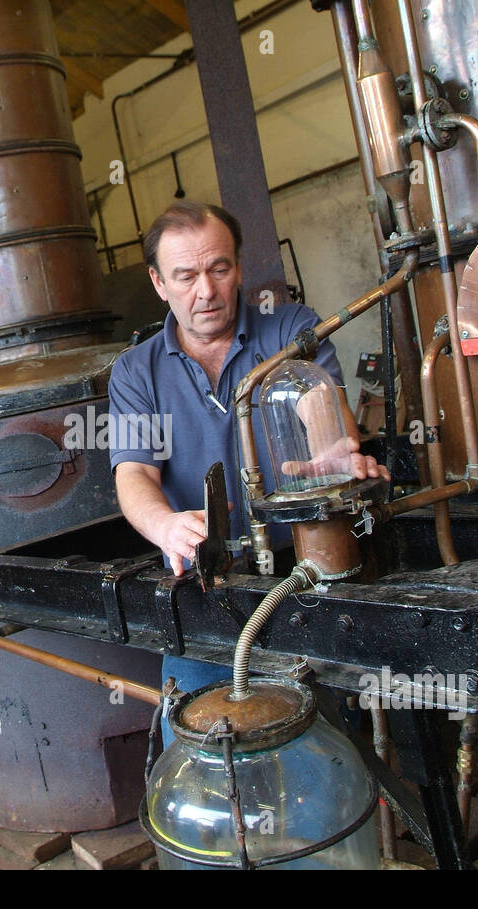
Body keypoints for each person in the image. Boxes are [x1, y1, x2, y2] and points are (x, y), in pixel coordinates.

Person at [107, 200, 387, 717]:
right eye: (185, 275)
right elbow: (134, 474)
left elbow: (322, 412)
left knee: (334, 742)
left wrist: (332, 452)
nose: (206, 291)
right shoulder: (134, 372)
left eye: (220, 269)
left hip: (307, 572)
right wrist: (166, 526)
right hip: (204, 590)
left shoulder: (289, 330)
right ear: (158, 283)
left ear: (238, 266)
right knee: (204, 741)